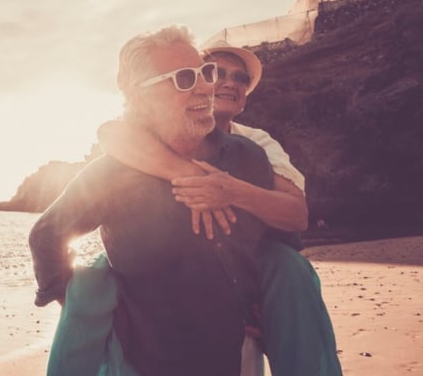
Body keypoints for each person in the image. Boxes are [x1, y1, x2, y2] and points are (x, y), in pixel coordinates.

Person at [30, 25, 275, 375]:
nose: (206, 86)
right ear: (139, 96)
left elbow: (272, 243)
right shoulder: (111, 175)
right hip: (145, 363)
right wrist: (85, 308)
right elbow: (45, 237)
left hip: (237, 358)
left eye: (205, 73)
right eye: (184, 79)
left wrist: (265, 304)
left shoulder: (247, 157)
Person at [97, 41, 342, 375]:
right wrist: (186, 173)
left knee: (290, 269)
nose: (229, 82)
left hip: (248, 258)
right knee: (88, 283)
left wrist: (230, 191)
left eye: (241, 78)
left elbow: (295, 215)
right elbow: (112, 133)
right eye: (217, 73)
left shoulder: (257, 143)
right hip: (167, 259)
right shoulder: (162, 130)